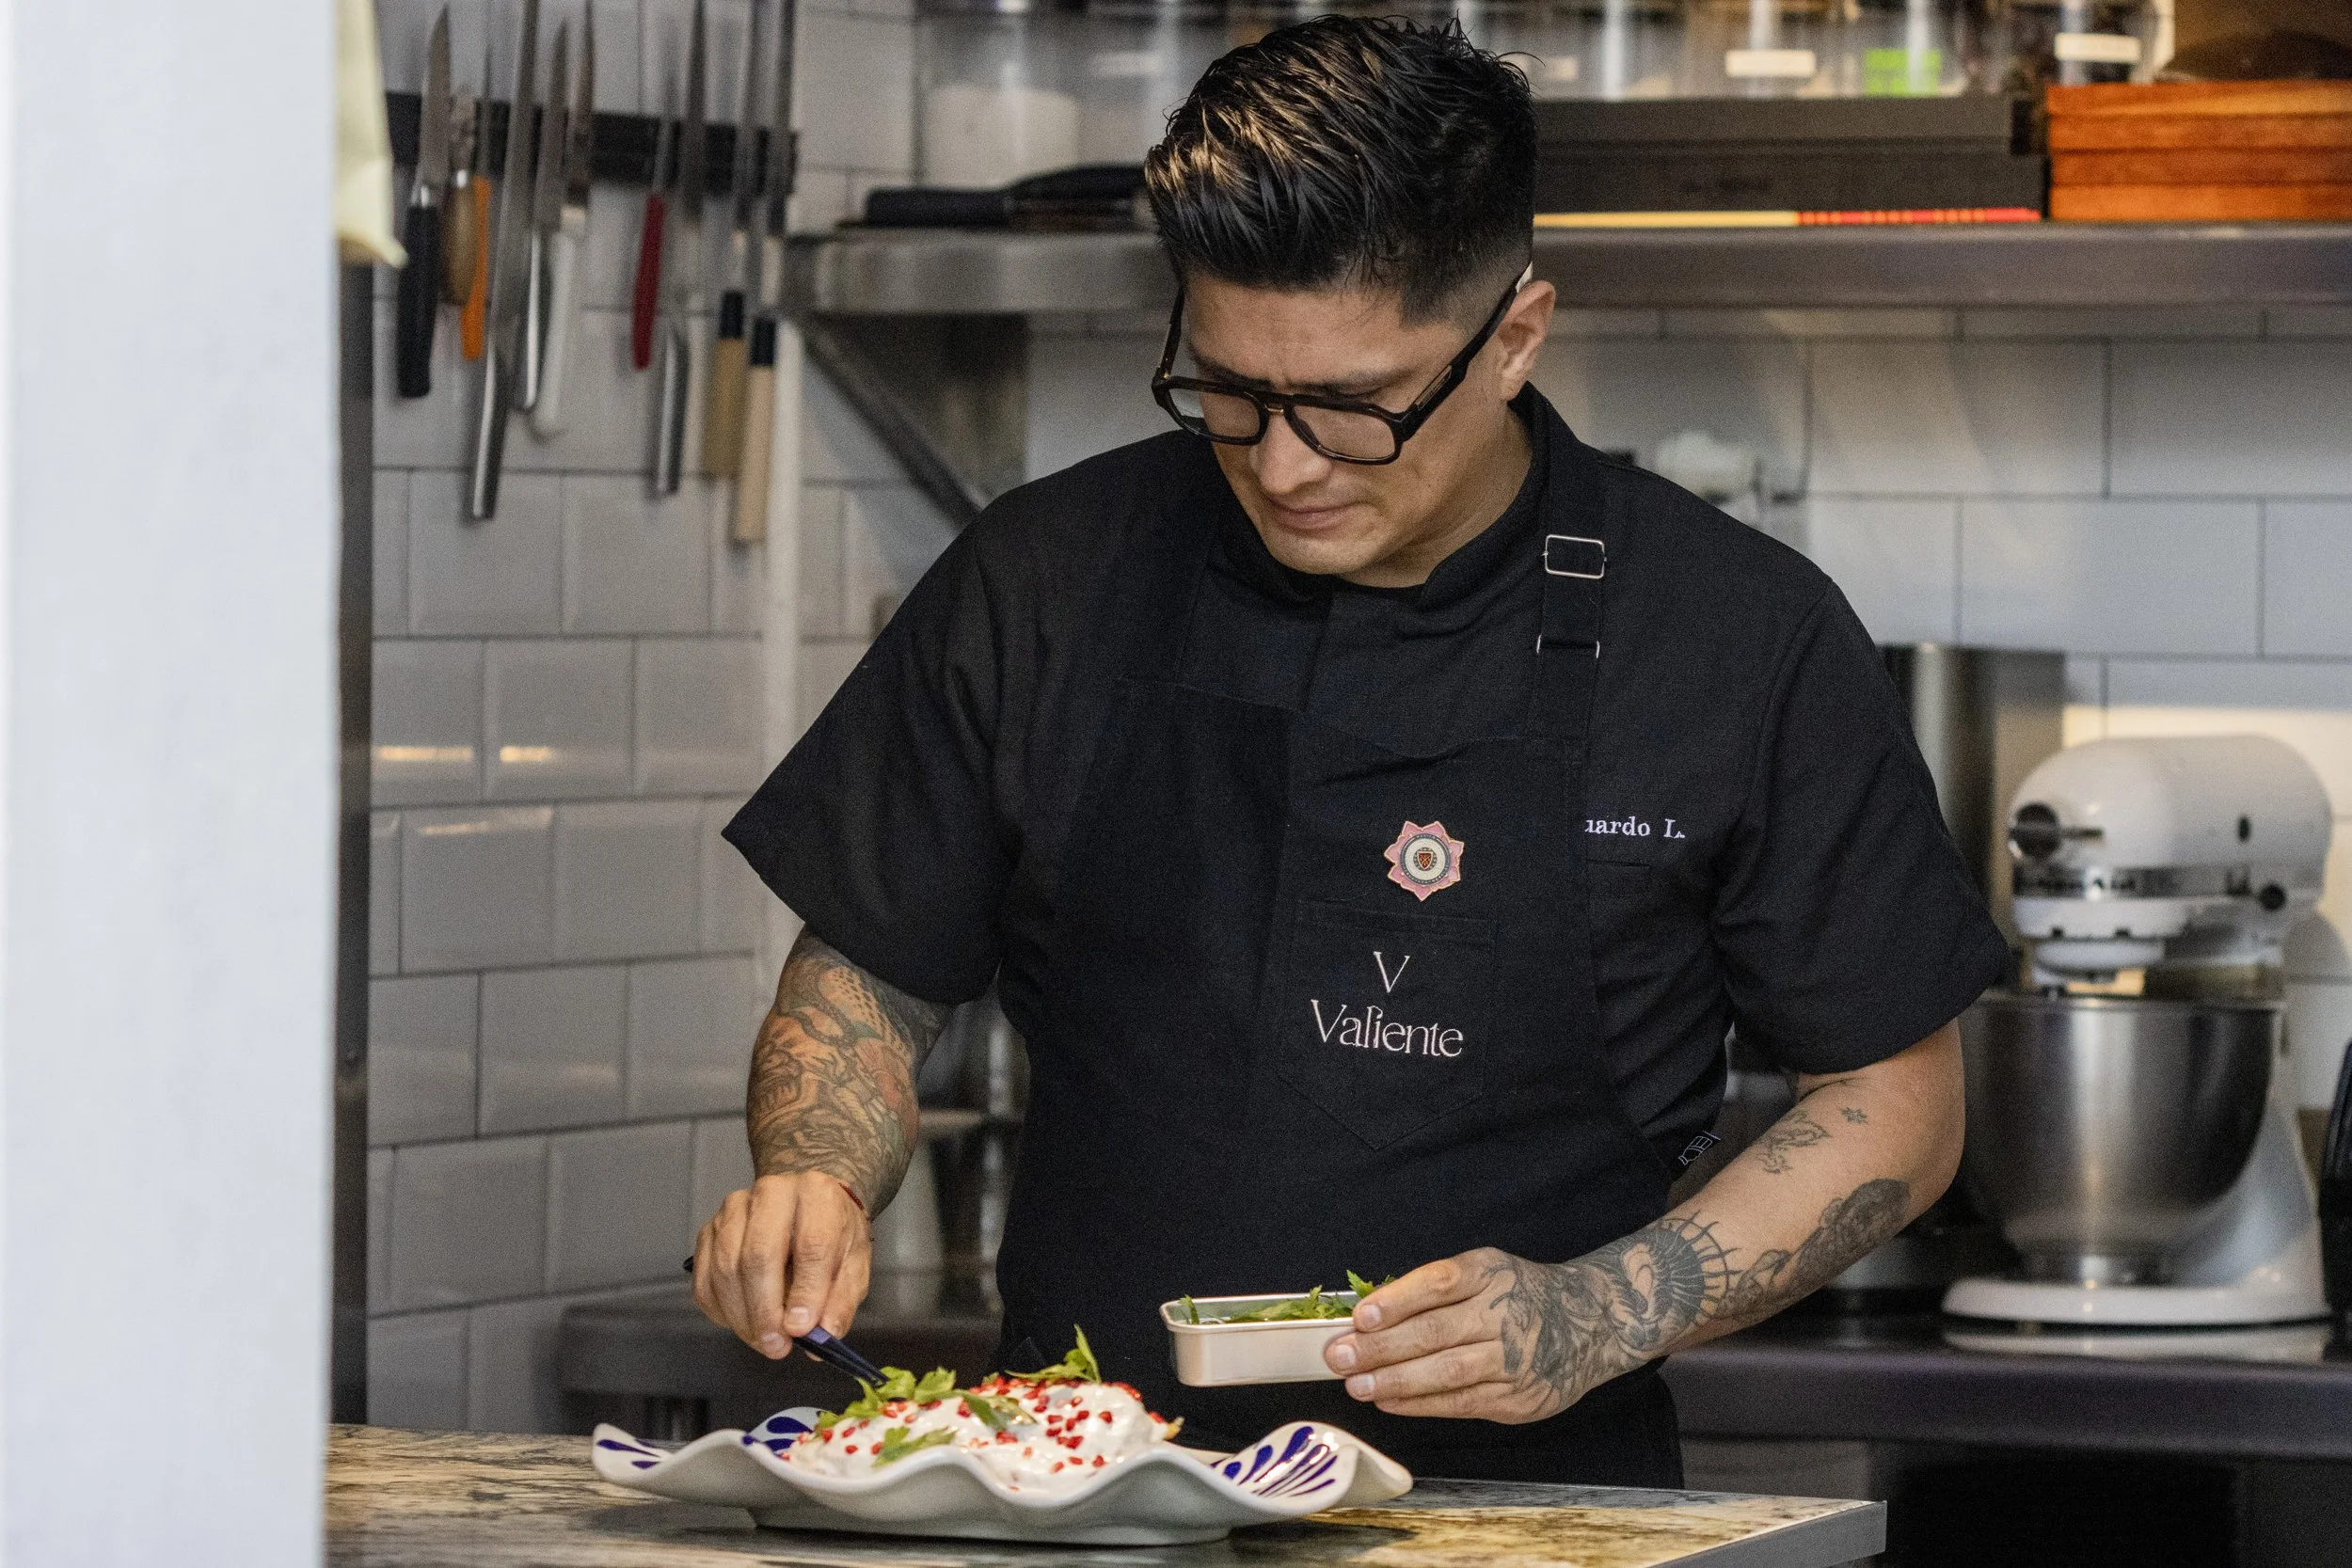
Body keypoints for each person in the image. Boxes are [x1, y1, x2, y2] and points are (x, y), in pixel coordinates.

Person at [692, 15, 2009, 1485]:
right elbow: (870, 966)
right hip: (1087, 1501)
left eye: (1351, 410)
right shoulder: (1046, 579)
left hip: (1528, 1517)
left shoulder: (1734, 635)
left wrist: (1599, 1307)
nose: (1283, 465)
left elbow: (1897, 1101)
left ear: (1514, 337)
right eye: (1232, 395)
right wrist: (812, 1170)